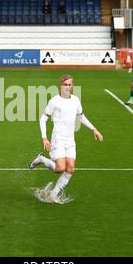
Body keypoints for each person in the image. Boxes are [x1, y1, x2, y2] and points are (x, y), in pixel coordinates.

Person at [29, 75, 103, 204]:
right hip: (58, 138)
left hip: (70, 140)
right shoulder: (54, 101)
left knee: (70, 169)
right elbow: (43, 119)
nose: (68, 87)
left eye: (70, 85)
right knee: (60, 169)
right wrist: (44, 138)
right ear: (60, 85)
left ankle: (52, 195)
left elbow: (81, 116)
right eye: (65, 85)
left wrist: (94, 129)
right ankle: (41, 158)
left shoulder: (75, 100)